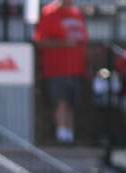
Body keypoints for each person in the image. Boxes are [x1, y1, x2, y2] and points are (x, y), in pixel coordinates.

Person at [34, 0, 89, 144]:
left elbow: (83, 39)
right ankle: (61, 135)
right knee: (60, 102)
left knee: (71, 103)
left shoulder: (76, 13)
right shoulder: (50, 13)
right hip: (56, 68)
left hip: (76, 68)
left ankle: (69, 135)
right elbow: (40, 41)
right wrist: (62, 43)